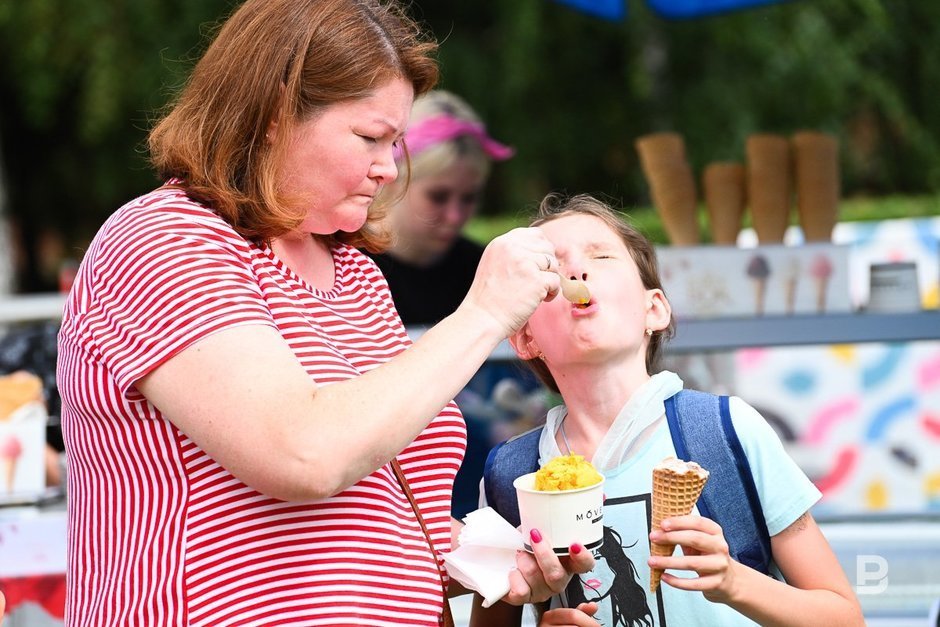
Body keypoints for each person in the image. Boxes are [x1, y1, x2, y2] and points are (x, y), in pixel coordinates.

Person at [55, 2, 594, 625]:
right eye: (369, 138)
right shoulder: (165, 238)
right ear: (277, 114)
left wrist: (491, 562)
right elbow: (304, 455)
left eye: (395, 143)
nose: (387, 168)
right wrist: (485, 312)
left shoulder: (354, 272)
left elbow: (373, 513)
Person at [470, 193, 864, 627]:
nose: (576, 272)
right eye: (552, 268)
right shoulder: (511, 477)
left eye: (601, 256)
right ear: (525, 338)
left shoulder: (726, 431)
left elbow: (844, 617)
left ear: (653, 309)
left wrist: (734, 581)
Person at [367, 89, 513, 327]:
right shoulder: (344, 268)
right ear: (395, 180)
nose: (454, 216)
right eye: (438, 197)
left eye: (469, 198)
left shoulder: (484, 272)